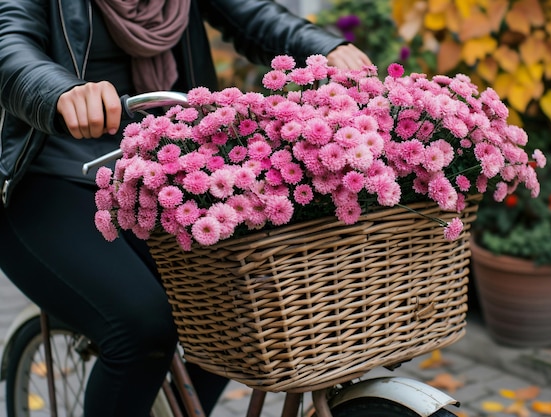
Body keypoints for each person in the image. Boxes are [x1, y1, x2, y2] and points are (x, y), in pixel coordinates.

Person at [0, 1, 372, 416]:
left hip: (158, 175)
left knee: (235, 315)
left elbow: (250, 14)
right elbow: (10, 44)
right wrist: (60, 90)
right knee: (140, 327)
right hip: (49, 178)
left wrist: (327, 48)